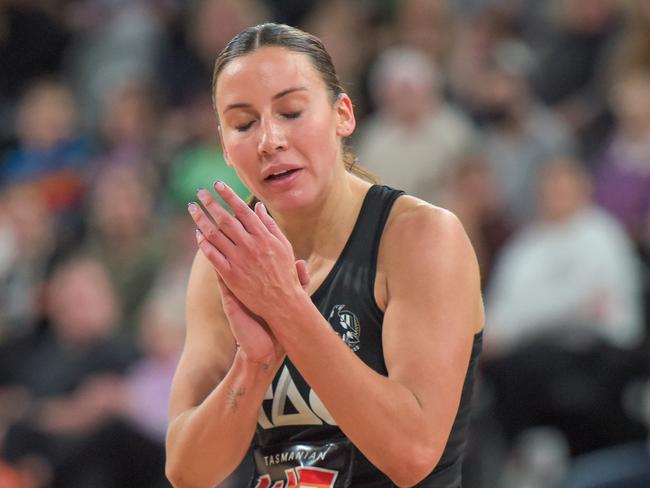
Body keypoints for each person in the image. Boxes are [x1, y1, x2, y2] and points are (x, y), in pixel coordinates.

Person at [165, 23, 483, 488]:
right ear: (226, 149)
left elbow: (413, 454)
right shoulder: (226, 261)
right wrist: (253, 367)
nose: (269, 140)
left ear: (343, 115)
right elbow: (189, 472)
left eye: (291, 111)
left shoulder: (421, 237)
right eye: (244, 123)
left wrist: (287, 309)